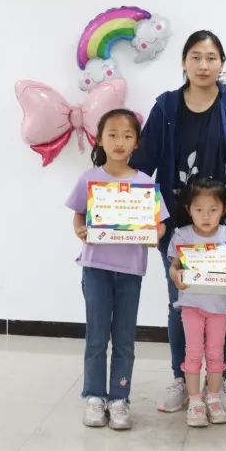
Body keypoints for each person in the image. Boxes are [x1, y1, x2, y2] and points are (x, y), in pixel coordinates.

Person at [131, 30, 226, 416]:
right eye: (196, 57)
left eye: (211, 58)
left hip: (224, 227)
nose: (204, 65)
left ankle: (218, 383)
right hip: (177, 226)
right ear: (184, 62)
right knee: (181, 302)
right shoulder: (167, 106)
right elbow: (143, 165)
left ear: (222, 64)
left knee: (223, 304)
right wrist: (138, 216)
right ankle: (181, 378)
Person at [66, 109, 168, 431]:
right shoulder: (89, 178)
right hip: (95, 268)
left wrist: (155, 233)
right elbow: (78, 215)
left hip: (130, 271)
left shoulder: (145, 183)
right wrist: (80, 229)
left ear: (137, 142)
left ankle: (119, 398)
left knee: (124, 338)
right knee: (97, 336)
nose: (119, 142)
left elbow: (160, 224)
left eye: (127, 135)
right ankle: (95, 396)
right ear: (100, 139)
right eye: (112, 135)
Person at [167, 179, 226, 427]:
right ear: (188, 209)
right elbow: (174, 266)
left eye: (213, 210)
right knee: (192, 353)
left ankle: (213, 398)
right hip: (191, 306)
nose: (206, 216)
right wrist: (175, 274)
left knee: (215, 354)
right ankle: (194, 401)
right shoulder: (182, 235)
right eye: (199, 209)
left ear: (223, 210)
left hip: (220, 308)